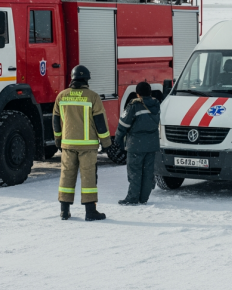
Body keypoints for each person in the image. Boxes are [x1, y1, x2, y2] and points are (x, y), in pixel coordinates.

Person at [53, 65, 112, 221]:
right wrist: (106, 142)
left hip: (68, 145)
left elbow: (55, 121)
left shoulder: (62, 96)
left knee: (66, 176)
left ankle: (64, 211)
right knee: (88, 178)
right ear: (87, 80)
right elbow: (100, 122)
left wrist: (58, 139)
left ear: (72, 79)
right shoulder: (93, 97)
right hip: (87, 146)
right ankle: (90, 212)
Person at [116, 82, 161, 205]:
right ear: (150, 92)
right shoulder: (156, 104)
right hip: (152, 145)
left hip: (136, 144)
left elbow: (123, 124)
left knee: (135, 172)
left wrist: (118, 139)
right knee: (148, 172)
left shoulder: (134, 105)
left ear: (138, 93)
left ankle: (132, 198)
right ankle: (143, 198)